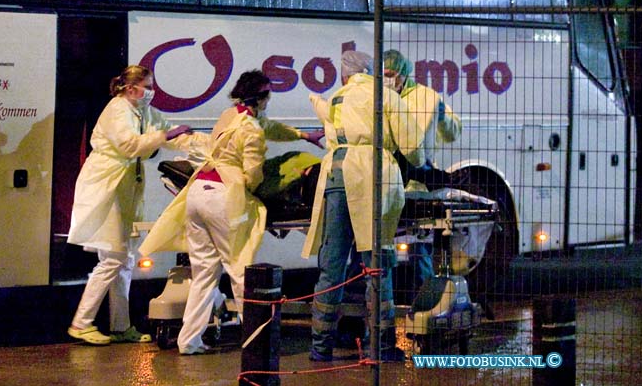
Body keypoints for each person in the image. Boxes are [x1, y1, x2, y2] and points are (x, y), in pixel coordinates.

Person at [139, 70, 324, 355]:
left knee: (204, 273)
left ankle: (189, 341)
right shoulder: (252, 132)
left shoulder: (230, 115)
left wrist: (302, 135)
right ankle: (256, 340)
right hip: (223, 199)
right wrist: (264, 187)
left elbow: (270, 126)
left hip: (198, 193)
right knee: (240, 270)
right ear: (262, 98)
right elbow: (252, 176)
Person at [302, 50, 425, 363]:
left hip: (336, 175)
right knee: (376, 262)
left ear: (345, 76)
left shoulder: (337, 99)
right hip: (372, 174)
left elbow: (330, 131)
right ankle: (380, 346)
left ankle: (320, 347)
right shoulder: (384, 95)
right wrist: (420, 165)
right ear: (371, 72)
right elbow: (412, 147)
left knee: (331, 266)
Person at [66, 65, 195, 346]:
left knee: (124, 260)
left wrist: (202, 143)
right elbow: (130, 145)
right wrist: (165, 137)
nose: (151, 91)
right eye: (147, 86)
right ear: (130, 87)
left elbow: (169, 132)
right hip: (106, 186)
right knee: (113, 257)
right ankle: (81, 323)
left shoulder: (143, 112)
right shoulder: (117, 110)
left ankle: (121, 326)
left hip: (124, 188)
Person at [383, 49, 462, 296]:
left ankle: (426, 301)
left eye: (391, 74)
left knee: (419, 251)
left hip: (418, 188)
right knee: (383, 248)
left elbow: (452, 133)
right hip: (388, 183)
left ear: (404, 74)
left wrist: (441, 117)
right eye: (383, 74)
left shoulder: (427, 98)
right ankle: (384, 309)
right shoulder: (379, 97)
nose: (387, 79)